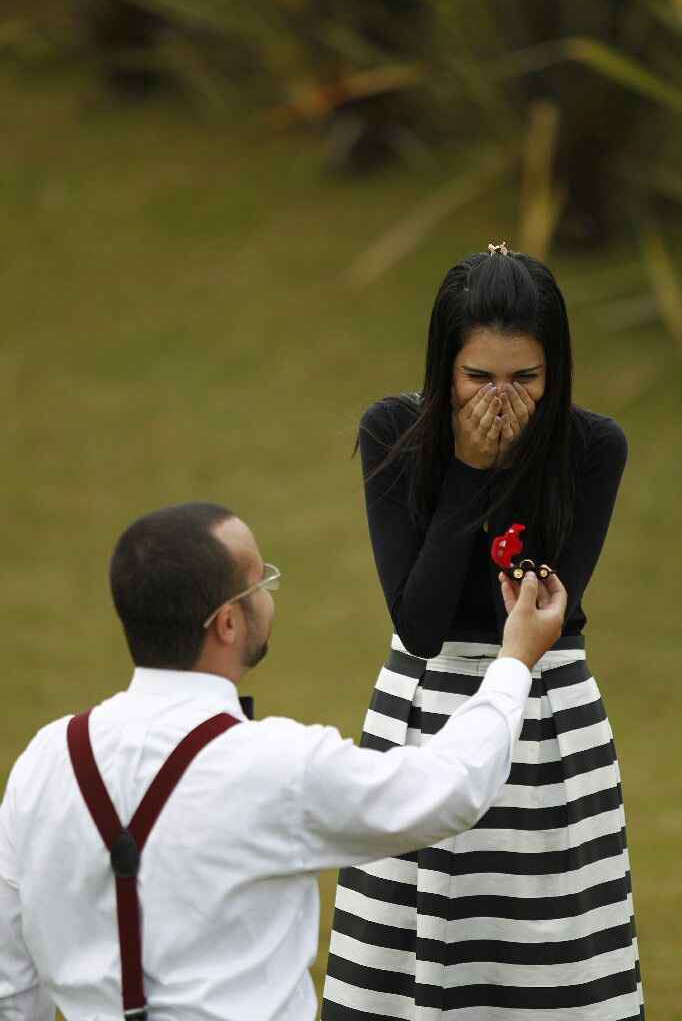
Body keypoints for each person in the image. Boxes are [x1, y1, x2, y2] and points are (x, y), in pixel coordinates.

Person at [0, 501, 566, 1021]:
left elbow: (10, 982)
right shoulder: (277, 766)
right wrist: (514, 660)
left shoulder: (45, 760)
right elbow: (449, 788)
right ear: (227, 622)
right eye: (260, 581)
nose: (269, 593)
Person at [322, 245, 644, 1020]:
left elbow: (535, 606)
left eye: (524, 379)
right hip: (423, 709)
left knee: (547, 958)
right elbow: (421, 624)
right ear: (445, 368)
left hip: (544, 714)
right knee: (406, 961)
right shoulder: (395, 431)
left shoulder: (593, 449)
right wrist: (470, 469)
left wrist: (512, 470)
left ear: (555, 370)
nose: (500, 398)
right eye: (479, 378)